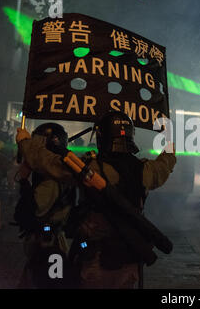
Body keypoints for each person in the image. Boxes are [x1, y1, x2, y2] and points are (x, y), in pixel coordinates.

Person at [16, 111, 176, 288]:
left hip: (98, 259)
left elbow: (47, 162)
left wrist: (25, 142)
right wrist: (168, 143)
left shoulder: (91, 169)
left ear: (102, 136)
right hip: (130, 259)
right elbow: (165, 164)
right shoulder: (145, 170)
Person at [16, 123, 77, 288]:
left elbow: (30, 212)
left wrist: (23, 181)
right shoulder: (56, 171)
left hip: (48, 243)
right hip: (51, 240)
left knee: (47, 282)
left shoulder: (50, 180)